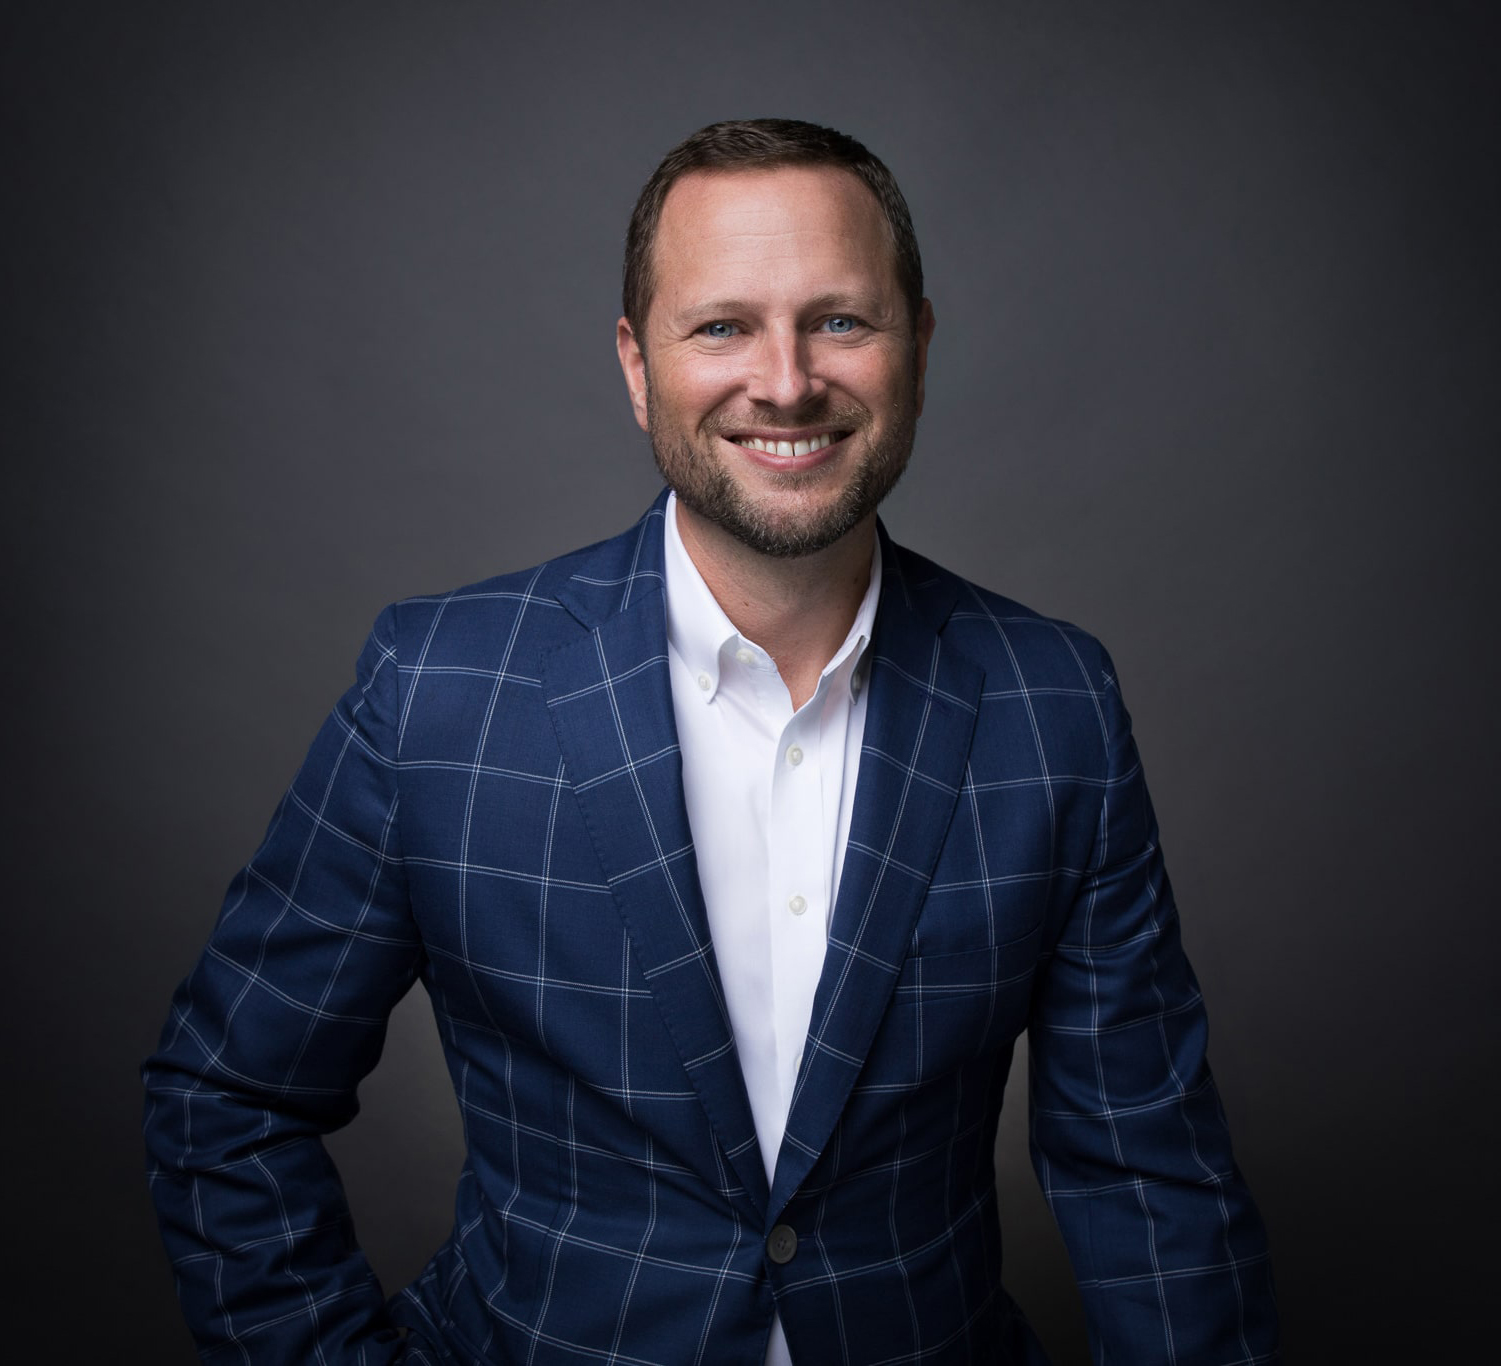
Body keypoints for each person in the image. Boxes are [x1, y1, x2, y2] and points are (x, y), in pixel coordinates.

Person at [144, 119, 1279, 1364]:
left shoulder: (1052, 703)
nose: (785, 381)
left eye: (838, 320)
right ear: (637, 366)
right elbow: (226, 1097)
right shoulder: (439, 691)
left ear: (918, 347)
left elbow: (1147, 1176)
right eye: (722, 326)